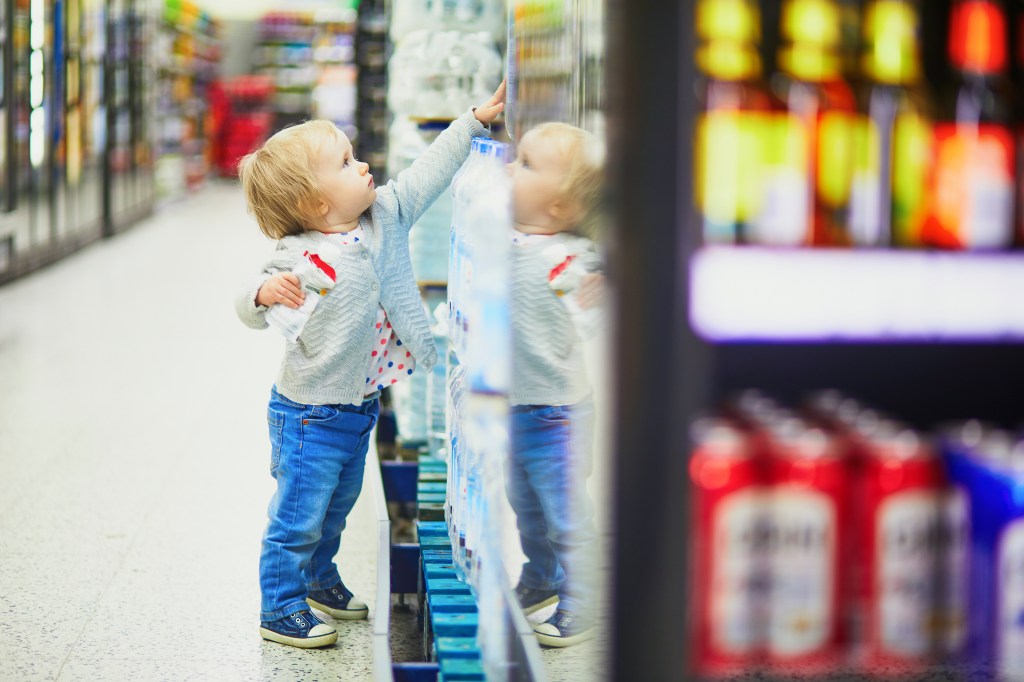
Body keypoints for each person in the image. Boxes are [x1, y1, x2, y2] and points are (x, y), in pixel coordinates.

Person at [234, 83, 506, 649]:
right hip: (308, 415)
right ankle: (279, 607)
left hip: (358, 407)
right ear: (314, 204)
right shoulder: (297, 256)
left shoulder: (384, 217)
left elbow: (427, 172)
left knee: (337, 507)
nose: (364, 168)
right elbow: (247, 306)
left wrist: (474, 122)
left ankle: (319, 579)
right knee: (298, 517)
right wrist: (263, 293)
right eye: (346, 162)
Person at [504, 122, 606, 647]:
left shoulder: (573, 259)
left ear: (562, 207)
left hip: (557, 414)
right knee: (524, 504)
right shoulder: (504, 236)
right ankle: (542, 577)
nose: (507, 169)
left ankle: (583, 599)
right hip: (513, 407)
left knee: (566, 514)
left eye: (524, 164)